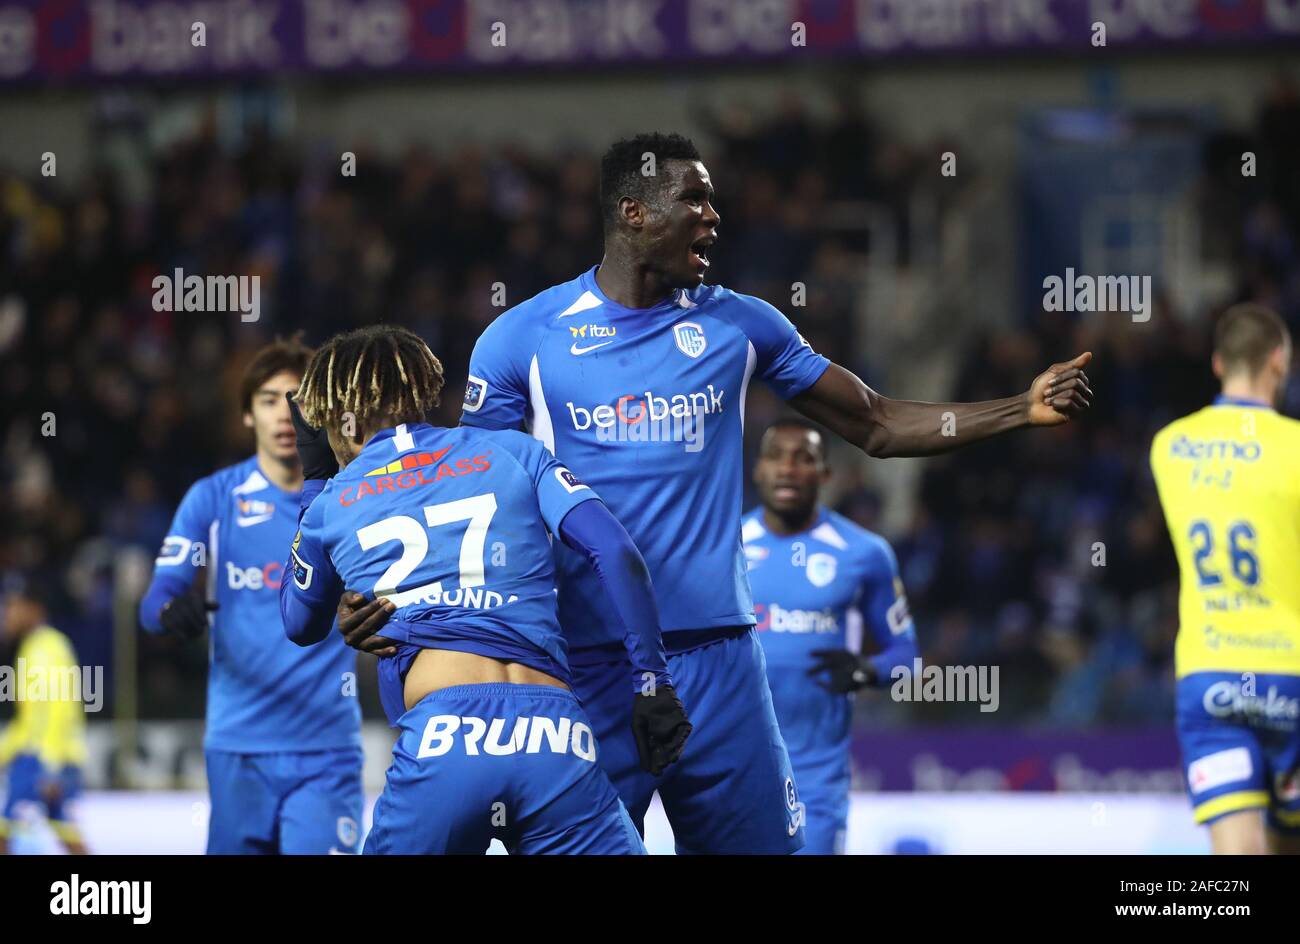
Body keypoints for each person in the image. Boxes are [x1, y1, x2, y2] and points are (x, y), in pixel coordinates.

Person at [341, 132, 1091, 854]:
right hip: (585, 666)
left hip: (723, 663)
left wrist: (1018, 409)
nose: (714, 217)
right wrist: (392, 596)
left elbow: (878, 421)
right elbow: (474, 497)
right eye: (693, 201)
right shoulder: (520, 339)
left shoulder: (739, 323)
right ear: (634, 213)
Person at [279, 325, 689, 854]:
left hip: (444, 737)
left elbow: (298, 624)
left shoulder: (333, 502)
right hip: (556, 736)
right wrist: (651, 681)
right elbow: (617, 553)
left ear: (336, 416)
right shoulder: (515, 451)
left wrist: (313, 484)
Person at [139, 337, 363, 854]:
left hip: (327, 751)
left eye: (298, 399)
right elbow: (156, 600)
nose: (285, 414)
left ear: (320, 411)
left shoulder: (353, 498)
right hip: (239, 748)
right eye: (267, 399)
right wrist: (173, 611)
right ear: (246, 415)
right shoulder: (213, 498)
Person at [1150, 302, 1300, 854]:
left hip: (1210, 675)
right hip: (1291, 672)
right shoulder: (1296, 448)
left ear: (1218, 363)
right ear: (1279, 361)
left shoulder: (1169, 446)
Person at [744, 419, 919, 854]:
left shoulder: (864, 553)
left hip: (815, 782)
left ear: (825, 474)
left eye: (803, 458)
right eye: (776, 457)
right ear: (758, 470)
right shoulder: (724, 544)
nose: (788, 468)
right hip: (732, 773)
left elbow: (907, 658)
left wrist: (866, 671)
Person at [0, 579, 89, 855]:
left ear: (33, 609)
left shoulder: (45, 649)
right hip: (50, 755)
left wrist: (50, 765)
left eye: (14, 606)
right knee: (67, 835)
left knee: (5, 833)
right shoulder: (36, 646)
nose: (8, 614)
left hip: (42, 758)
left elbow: (59, 708)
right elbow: (31, 717)